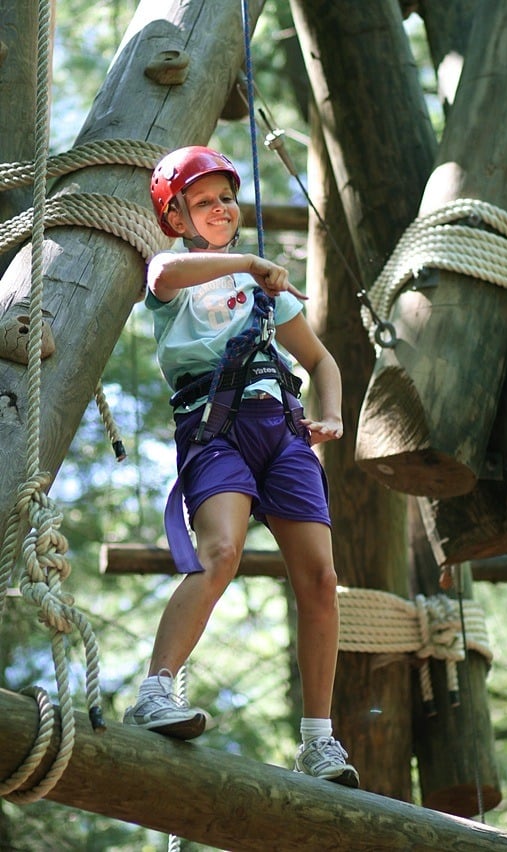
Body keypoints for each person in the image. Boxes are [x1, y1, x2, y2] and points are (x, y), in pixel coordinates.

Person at [123, 145, 359, 788]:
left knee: (320, 578)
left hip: (282, 433)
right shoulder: (174, 275)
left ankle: (318, 740)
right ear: (176, 218)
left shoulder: (264, 292)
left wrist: (331, 415)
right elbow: (164, 271)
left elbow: (322, 361)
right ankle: (155, 690)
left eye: (226, 198)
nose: (221, 208)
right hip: (215, 427)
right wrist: (252, 263)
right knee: (220, 551)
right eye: (203, 202)